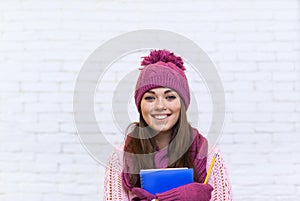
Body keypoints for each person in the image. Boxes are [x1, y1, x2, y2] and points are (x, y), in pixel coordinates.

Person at [103, 49, 232, 201]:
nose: (160, 106)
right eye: (150, 98)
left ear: (182, 104)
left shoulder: (210, 157)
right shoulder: (120, 158)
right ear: (140, 106)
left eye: (170, 97)